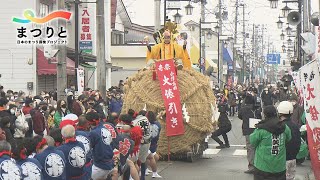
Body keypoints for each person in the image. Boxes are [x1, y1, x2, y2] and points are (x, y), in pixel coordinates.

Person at [250, 105, 291, 180]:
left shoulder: (261, 129)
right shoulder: (284, 127)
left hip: (262, 167)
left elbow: (252, 141)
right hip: (279, 167)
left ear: (265, 115)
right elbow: (288, 139)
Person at [86, 111, 118, 180]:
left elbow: (88, 148)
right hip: (110, 161)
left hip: (100, 165)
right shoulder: (105, 128)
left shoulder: (93, 133)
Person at [238, 93, 262, 174]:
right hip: (256, 129)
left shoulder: (243, 109)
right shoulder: (257, 109)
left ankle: (252, 166)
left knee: (250, 148)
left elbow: (239, 116)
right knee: (257, 147)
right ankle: (259, 165)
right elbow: (260, 117)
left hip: (247, 130)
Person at [277, 101, 301, 180]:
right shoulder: (295, 126)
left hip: (283, 159)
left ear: (279, 113)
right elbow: (298, 142)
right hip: (293, 158)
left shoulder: (280, 127)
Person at [132, 110, 152, 180]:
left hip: (140, 143)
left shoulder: (134, 122)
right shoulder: (146, 119)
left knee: (136, 161)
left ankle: (137, 177)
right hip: (148, 142)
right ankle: (142, 176)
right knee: (143, 160)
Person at [146, 111, 162, 178]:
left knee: (147, 157)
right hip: (153, 143)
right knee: (154, 157)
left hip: (146, 142)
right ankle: (154, 173)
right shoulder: (158, 124)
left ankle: (146, 169)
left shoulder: (145, 124)